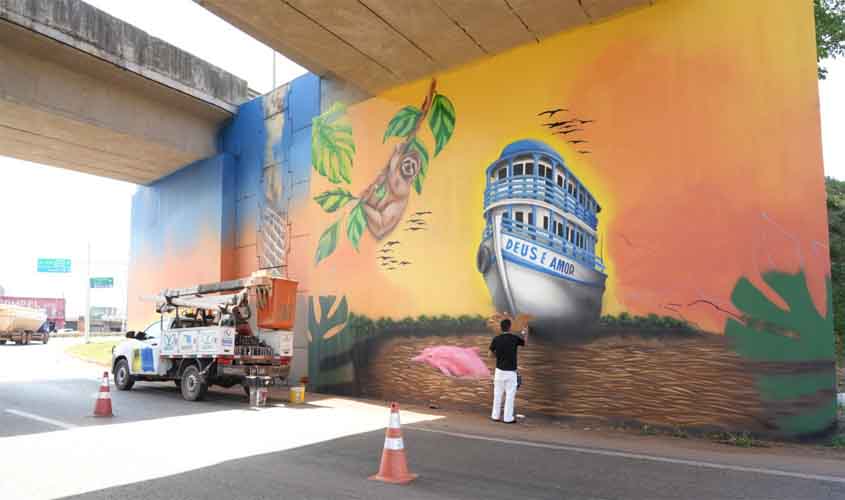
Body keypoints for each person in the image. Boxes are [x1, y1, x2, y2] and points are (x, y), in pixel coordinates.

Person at [489, 318, 526, 423]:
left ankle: (495, 416)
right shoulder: (514, 338)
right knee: (510, 396)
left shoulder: (496, 339)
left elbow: (489, 354)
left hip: (499, 372)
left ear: (501, 328)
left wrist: (498, 357)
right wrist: (526, 332)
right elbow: (524, 343)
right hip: (511, 372)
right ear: (510, 327)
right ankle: (508, 418)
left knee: (497, 394)